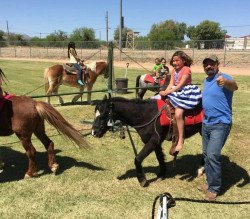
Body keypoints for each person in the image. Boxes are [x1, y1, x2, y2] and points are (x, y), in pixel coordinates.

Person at [199, 55, 238, 201]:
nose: (208, 66)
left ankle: (214, 189)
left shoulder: (223, 78)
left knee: (213, 155)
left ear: (217, 64)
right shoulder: (207, 80)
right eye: (206, 64)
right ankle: (210, 183)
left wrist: (225, 81)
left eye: (211, 64)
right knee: (206, 155)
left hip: (221, 124)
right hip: (207, 123)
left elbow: (234, 86)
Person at [159, 51, 202, 154]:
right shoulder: (173, 71)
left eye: (177, 60)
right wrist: (164, 91)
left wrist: (167, 92)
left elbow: (180, 86)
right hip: (175, 90)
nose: (175, 62)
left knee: (178, 113)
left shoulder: (186, 69)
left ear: (183, 60)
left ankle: (181, 139)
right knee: (158, 100)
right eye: (173, 60)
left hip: (185, 92)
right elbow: (171, 84)